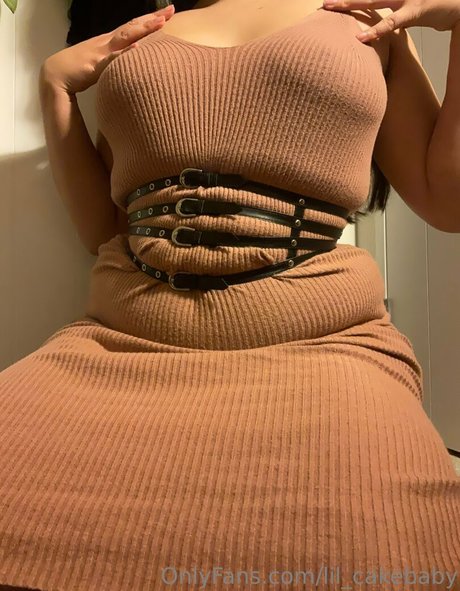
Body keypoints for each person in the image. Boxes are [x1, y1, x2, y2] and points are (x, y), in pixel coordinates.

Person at [0, 0, 459, 589]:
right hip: (119, 346)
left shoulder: (368, 20)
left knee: (392, 546)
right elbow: (107, 230)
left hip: (323, 349)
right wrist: (55, 89)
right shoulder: (140, 34)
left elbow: (447, 202)